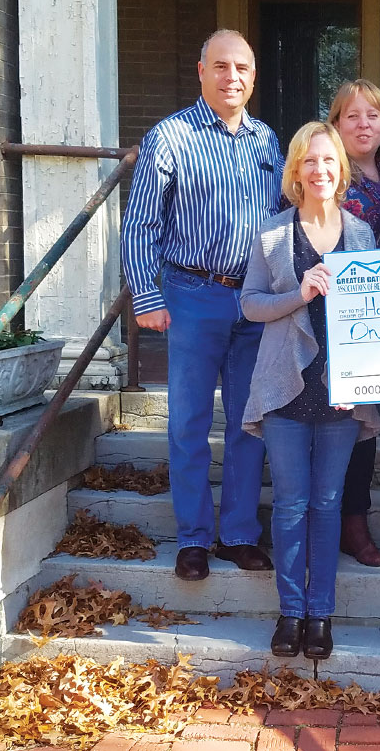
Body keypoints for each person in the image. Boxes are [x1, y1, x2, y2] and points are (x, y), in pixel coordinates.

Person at [121, 29, 282, 581]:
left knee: (246, 422)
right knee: (189, 421)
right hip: (190, 295)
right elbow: (141, 221)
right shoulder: (171, 137)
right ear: (201, 71)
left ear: (253, 77)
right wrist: (146, 296)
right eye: (220, 66)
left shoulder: (266, 141)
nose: (231, 77)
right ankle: (193, 537)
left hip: (254, 299)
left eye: (241, 68)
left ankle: (237, 533)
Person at [240, 121, 380, 660]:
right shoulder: (273, 234)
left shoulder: (362, 235)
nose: (320, 170)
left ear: (341, 169)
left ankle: (320, 614)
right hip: (284, 389)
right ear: (295, 170)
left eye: (329, 161)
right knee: (292, 505)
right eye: (309, 161)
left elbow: (378, 311)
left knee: (327, 505)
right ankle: (290, 611)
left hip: (342, 391)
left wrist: (370, 380)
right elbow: (250, 304)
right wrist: (298, 294)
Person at [328, 79, 380, 568]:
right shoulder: (327, 173)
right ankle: (334, 521)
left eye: (372, 115)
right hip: (333, 319)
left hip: (379, 322)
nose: (363, 124)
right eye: (352, 115)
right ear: (335, 123)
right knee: (336, 423)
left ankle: (355, 520)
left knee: (365, 425)